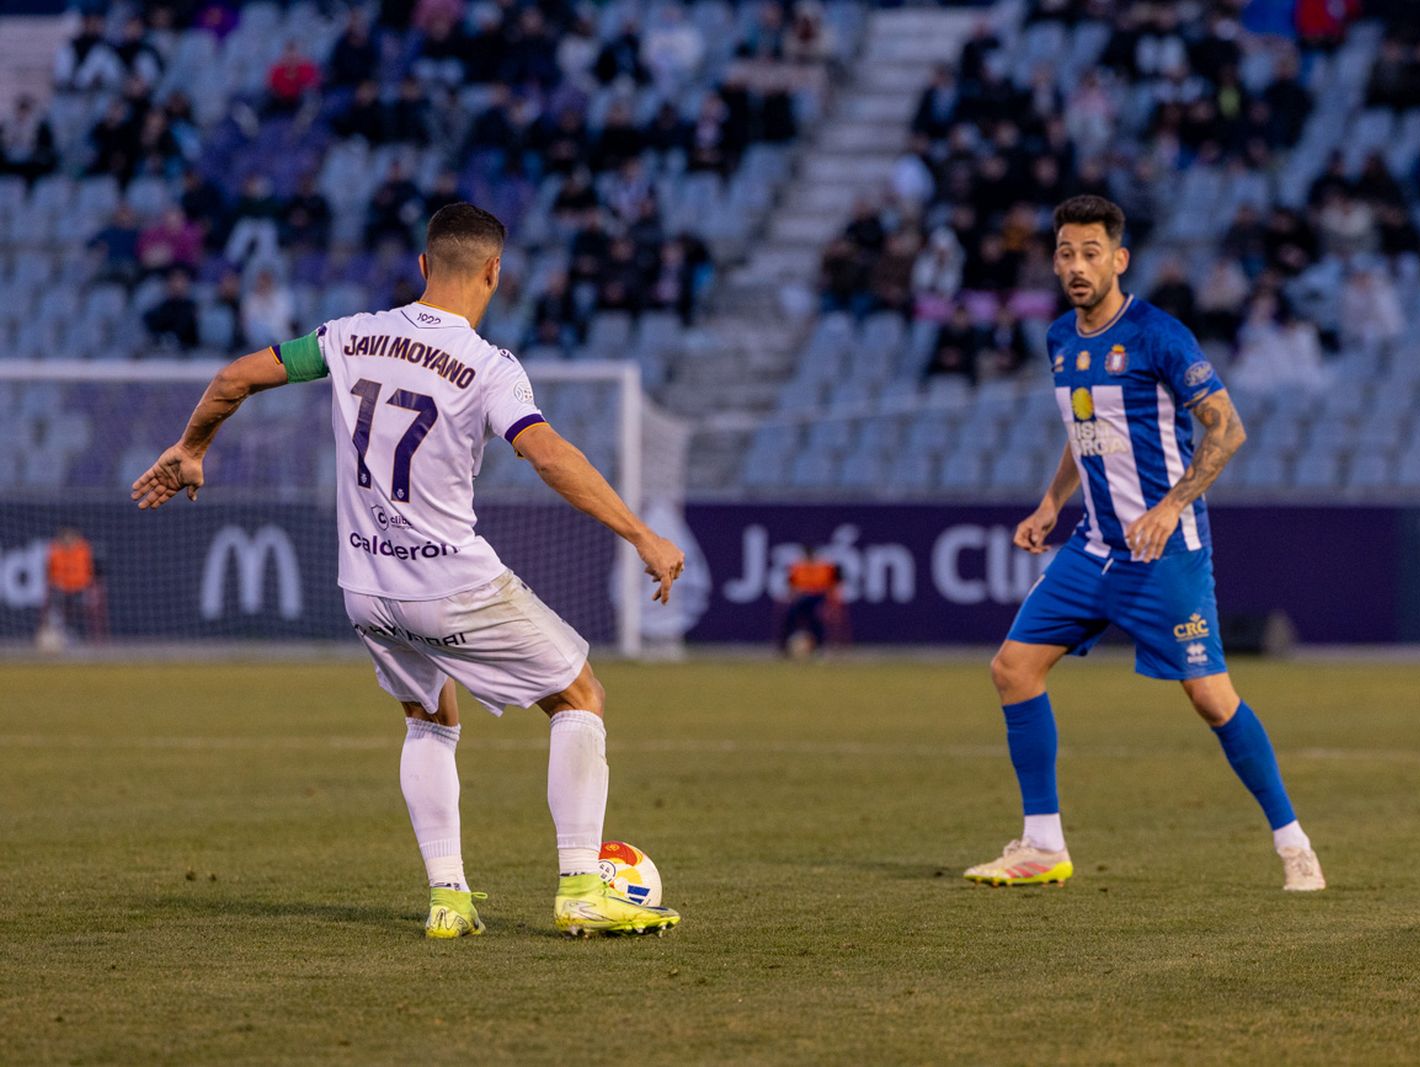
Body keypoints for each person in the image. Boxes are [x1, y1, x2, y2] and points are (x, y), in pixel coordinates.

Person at [131, 203, 687, 938]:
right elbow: (546, 453)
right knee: (579, 695)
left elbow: (236, 377)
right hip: (450, 582)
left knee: (431, 719)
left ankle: (449, 899)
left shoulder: (348, 335)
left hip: (366, 590)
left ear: (423, 267)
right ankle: (583, 884)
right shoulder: (489, 366)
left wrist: (192, 446)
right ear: (495, 272)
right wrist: (639, 531)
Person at [963, 195, 1324, 893]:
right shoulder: (1060, 339)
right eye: (1065, 252)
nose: (1076, 265)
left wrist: (1169, 506)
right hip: (1094, 548)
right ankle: (1042, 843)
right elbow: (1085, 430)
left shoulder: (1160, 335)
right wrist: (1050, 501)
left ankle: (1294, 842)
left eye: (1091, 252)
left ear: (1119, 259)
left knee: (1213, 700)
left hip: (1166, 552)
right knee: (1012, 668)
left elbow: (1227, 429)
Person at [41, 528, 105, 645]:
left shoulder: (84, 548)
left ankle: (95, 640)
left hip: (81, 589)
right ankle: (58, 635)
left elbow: (89, 573)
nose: (68, 539)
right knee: (54, 606)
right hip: (61, 590)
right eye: (66, 536)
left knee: (91, 599)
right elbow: (51, 573)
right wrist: (59, 583)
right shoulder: (55, 549)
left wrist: (81, 584)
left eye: (71, 535)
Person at [780, 546, 841, 658]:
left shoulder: (823, 566)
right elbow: (791, 586)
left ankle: (819, 647)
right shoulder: (798, 567)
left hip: (818, 598)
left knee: (816, 616)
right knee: (790, 615)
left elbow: (833, 584)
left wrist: (832, 600)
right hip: (801, 600)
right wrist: (793, 596)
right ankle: (784, 647)